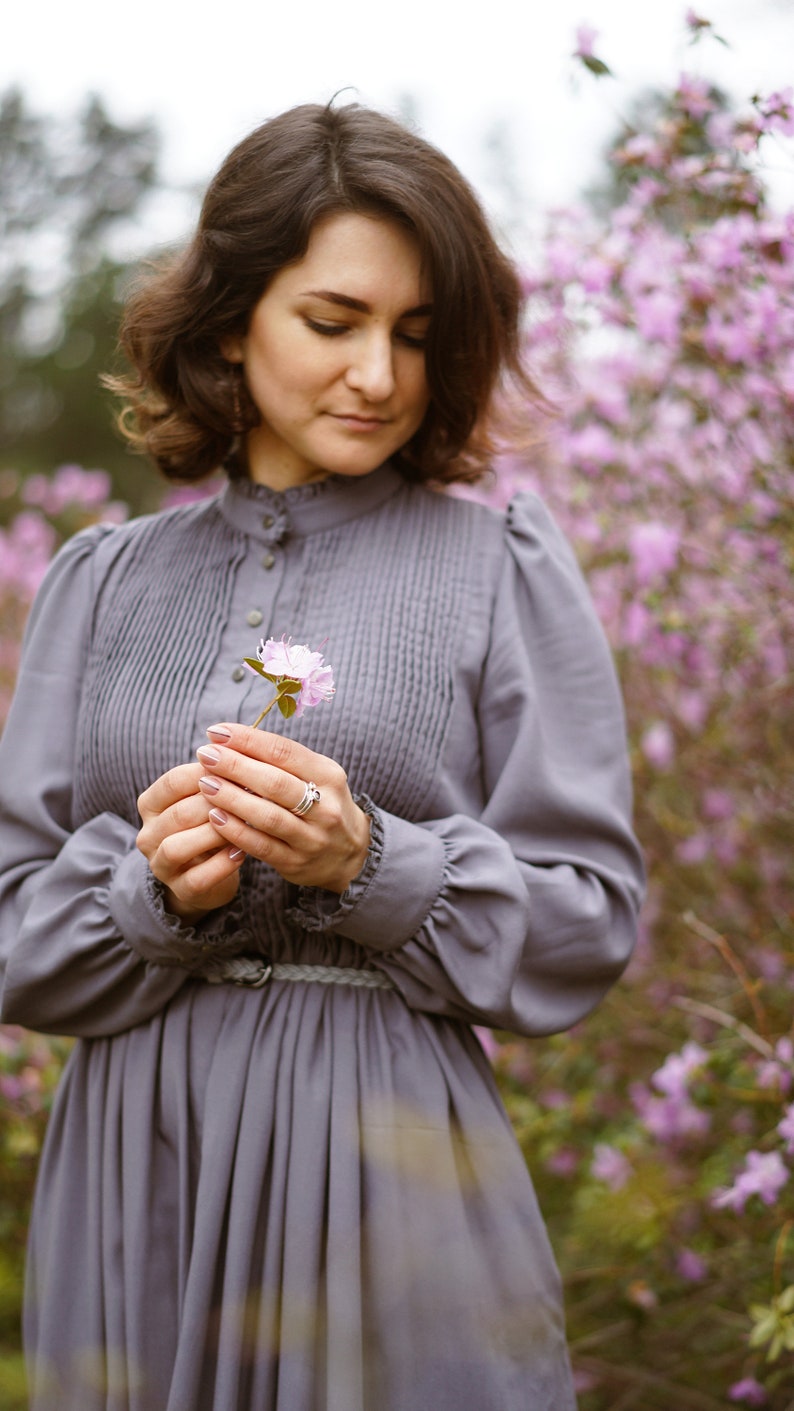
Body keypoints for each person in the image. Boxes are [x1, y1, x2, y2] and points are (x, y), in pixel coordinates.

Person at [0, 102, 644, 1411]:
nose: (380, 377)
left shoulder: (499, 569)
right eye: (333, 321)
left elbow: (587, 919)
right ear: (231, 321)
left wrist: (377, 865)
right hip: (137, 1170)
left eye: (416, 335)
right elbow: (13, 928)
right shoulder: (99, 584)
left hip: (382, 1162)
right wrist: (149, 891)